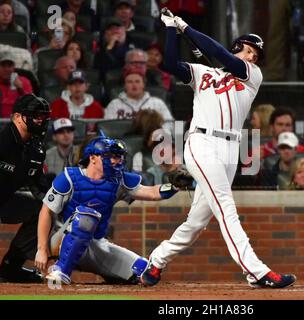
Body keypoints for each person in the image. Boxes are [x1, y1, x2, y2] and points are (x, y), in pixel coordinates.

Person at [140, 13, 296, 289]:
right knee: (226, 206)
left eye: (255, 54)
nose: (251, 57)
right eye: (248, 50)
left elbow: (219, 52)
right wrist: (171, 31)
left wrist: (186, 27)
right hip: (201, 143)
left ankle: (156, 260)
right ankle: (256, 271)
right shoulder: (203, 73)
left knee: (196, 223)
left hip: (230, 148)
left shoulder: (252, 76)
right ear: (238, 47)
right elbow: (169, 63)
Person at [34, 136, 180, 285]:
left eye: (119, 157)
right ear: (93, 158)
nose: (116, 161)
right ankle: (60, 270)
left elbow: (152, 192)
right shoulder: (69, 177)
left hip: (96, 243)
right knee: (86, 217)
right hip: (62, 239)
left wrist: (175, 186)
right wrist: (42, 249)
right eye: (111, 156)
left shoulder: (118, 179)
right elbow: (46, 211)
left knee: (143, 271)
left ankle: (112, 275)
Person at [0, 94, 51, 283]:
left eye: (42, 117)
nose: (40, 121)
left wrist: (56, 204)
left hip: (4, 199)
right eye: (35, 116)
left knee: (42, 210)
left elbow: (39, 185)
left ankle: (10, 268)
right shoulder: (2, 140)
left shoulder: (36, 148)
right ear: (17, 117)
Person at [104, 65, 174, 129]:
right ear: (125, 86)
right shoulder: (114, 104)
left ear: (143, 84)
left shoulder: (157, 103)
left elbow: (169, 124)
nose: (134, 85)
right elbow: (107, 127)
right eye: (130, 82)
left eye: (137, 81)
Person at [0, 51, 33, 118]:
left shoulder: (24, 81)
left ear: (13, 67)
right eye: (3, 66)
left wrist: (21, 90)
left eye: (9, 66)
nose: (6, 69)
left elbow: (31, 105)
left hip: (18, 122)